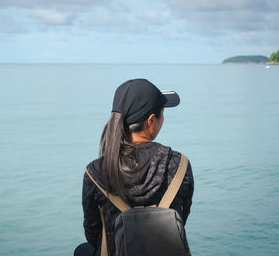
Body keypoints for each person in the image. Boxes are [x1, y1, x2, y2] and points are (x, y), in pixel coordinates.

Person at [75, 79, 194, 256]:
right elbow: (181, 219)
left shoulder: (95, 172)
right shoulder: (179, 164)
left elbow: (93, 233)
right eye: (162, 113)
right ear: (151, 121)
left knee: (82, 251)